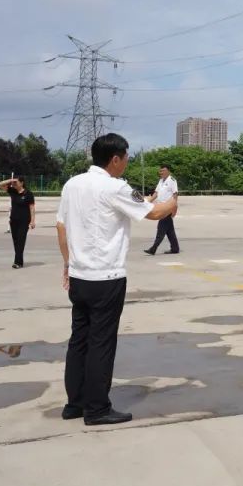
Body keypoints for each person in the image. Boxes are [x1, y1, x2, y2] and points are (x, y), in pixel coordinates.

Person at [57, 133, 177, 425]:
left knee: (79, 340)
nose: (126, 162)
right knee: (101, 343)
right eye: (125, 157)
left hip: (79, 275)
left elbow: (61, 226)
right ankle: (97, 408)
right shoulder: (115, 187)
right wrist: (172, 201)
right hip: (106, 277)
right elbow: (154, 212)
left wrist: (67, 263)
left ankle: (75, 403)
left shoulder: (72, 184)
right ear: (114, 159)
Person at [0, 176, 36, 269]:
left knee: (21, 241)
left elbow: (32, 208)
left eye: (17, 182)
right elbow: (0, 185)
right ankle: (20, 261)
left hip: (24, 221)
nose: (14, 184)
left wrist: (32, 221)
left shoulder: (28, 194)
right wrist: (11, 180)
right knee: (16, 241)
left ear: (22, 183)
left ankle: (17, 262)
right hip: (13, 221)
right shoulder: (13, 191)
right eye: (14, 183)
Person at [143, 166, 180, 256]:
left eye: (163, 171)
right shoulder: (160, 181)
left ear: (168, 171)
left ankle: (153, 248)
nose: (161, 172)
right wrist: (147, 203)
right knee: (169, 230)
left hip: (167, 208)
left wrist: (174, 208)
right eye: (160, 171)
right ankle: (175, 248)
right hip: (161, 207)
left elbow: (175, 195)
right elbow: (156, 194)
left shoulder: (172, 180)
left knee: (161, 228)